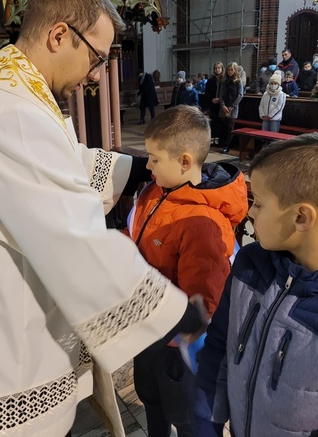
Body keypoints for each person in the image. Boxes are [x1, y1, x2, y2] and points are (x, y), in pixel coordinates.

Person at [0, 0, 207, 437]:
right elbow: (73, 237)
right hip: (0, 353)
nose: (96, 73)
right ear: (59, 35)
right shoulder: (9, 117)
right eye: (97, 57)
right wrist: (172, 311)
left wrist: (132, 169)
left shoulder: (11, 100)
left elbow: (56, 165)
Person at [126, 105, 248, 437]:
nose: (147, 165)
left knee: (184, 416)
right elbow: (135, 235)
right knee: (151, 399)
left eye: (153, 158)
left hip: (175, 345)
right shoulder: (156, 191)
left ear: (184, 161)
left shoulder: (202, 223)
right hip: (146, 329)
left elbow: (203, 301)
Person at [194, 133, 318, 437]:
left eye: (259, 204)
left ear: (301, 217)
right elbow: (218, 344)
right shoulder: (251, 264)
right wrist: (203, 417)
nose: (250, 212)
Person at [219, 62, 244, 154]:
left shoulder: (238, 81)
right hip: (224, 107)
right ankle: (223, 143)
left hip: (233, 107)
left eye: (231, 70)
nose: (230, 72)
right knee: (224, 127)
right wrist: (222, 105)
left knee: (230, 127)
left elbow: (240, 95)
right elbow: (220, 94)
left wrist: (232, 106)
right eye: (228, 70)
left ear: (235, 70)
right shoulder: (224, 81)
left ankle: (227, 145)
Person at [203, 61, 224, 144]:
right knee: (213, 122)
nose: (217, 70)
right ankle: (213, 140)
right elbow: (207, 93)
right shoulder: (210, 80)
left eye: (219, 68)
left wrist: (221, 100)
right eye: (215, 68)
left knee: (221, 123)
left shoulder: (224, 80)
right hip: (213, 104)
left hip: (222, 104)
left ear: (222, 69)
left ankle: (220, 141)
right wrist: (212, 99)